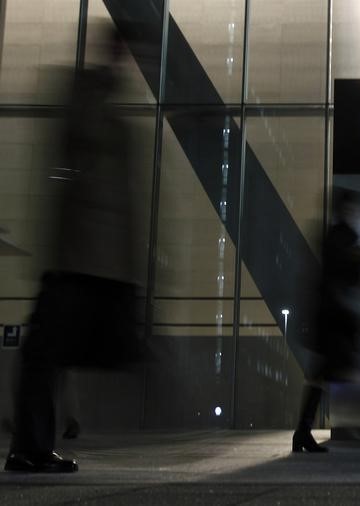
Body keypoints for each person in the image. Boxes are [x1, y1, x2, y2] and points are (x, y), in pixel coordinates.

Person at [4, 25, 142, 473]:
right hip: (82, 259)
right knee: (46, 354)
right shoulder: (92, 105)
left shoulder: (109, 118)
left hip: (85, 260)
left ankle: (33, 445)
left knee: (45, 354)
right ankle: (32, 446)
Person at [292, 187, 360, 453]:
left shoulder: (332, 236)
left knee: (321, 376)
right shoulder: (344, 238)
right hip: (335, 319)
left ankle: (302, 432)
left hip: (329, 317)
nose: (357, 213)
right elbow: (350, 279)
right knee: (341, 372)